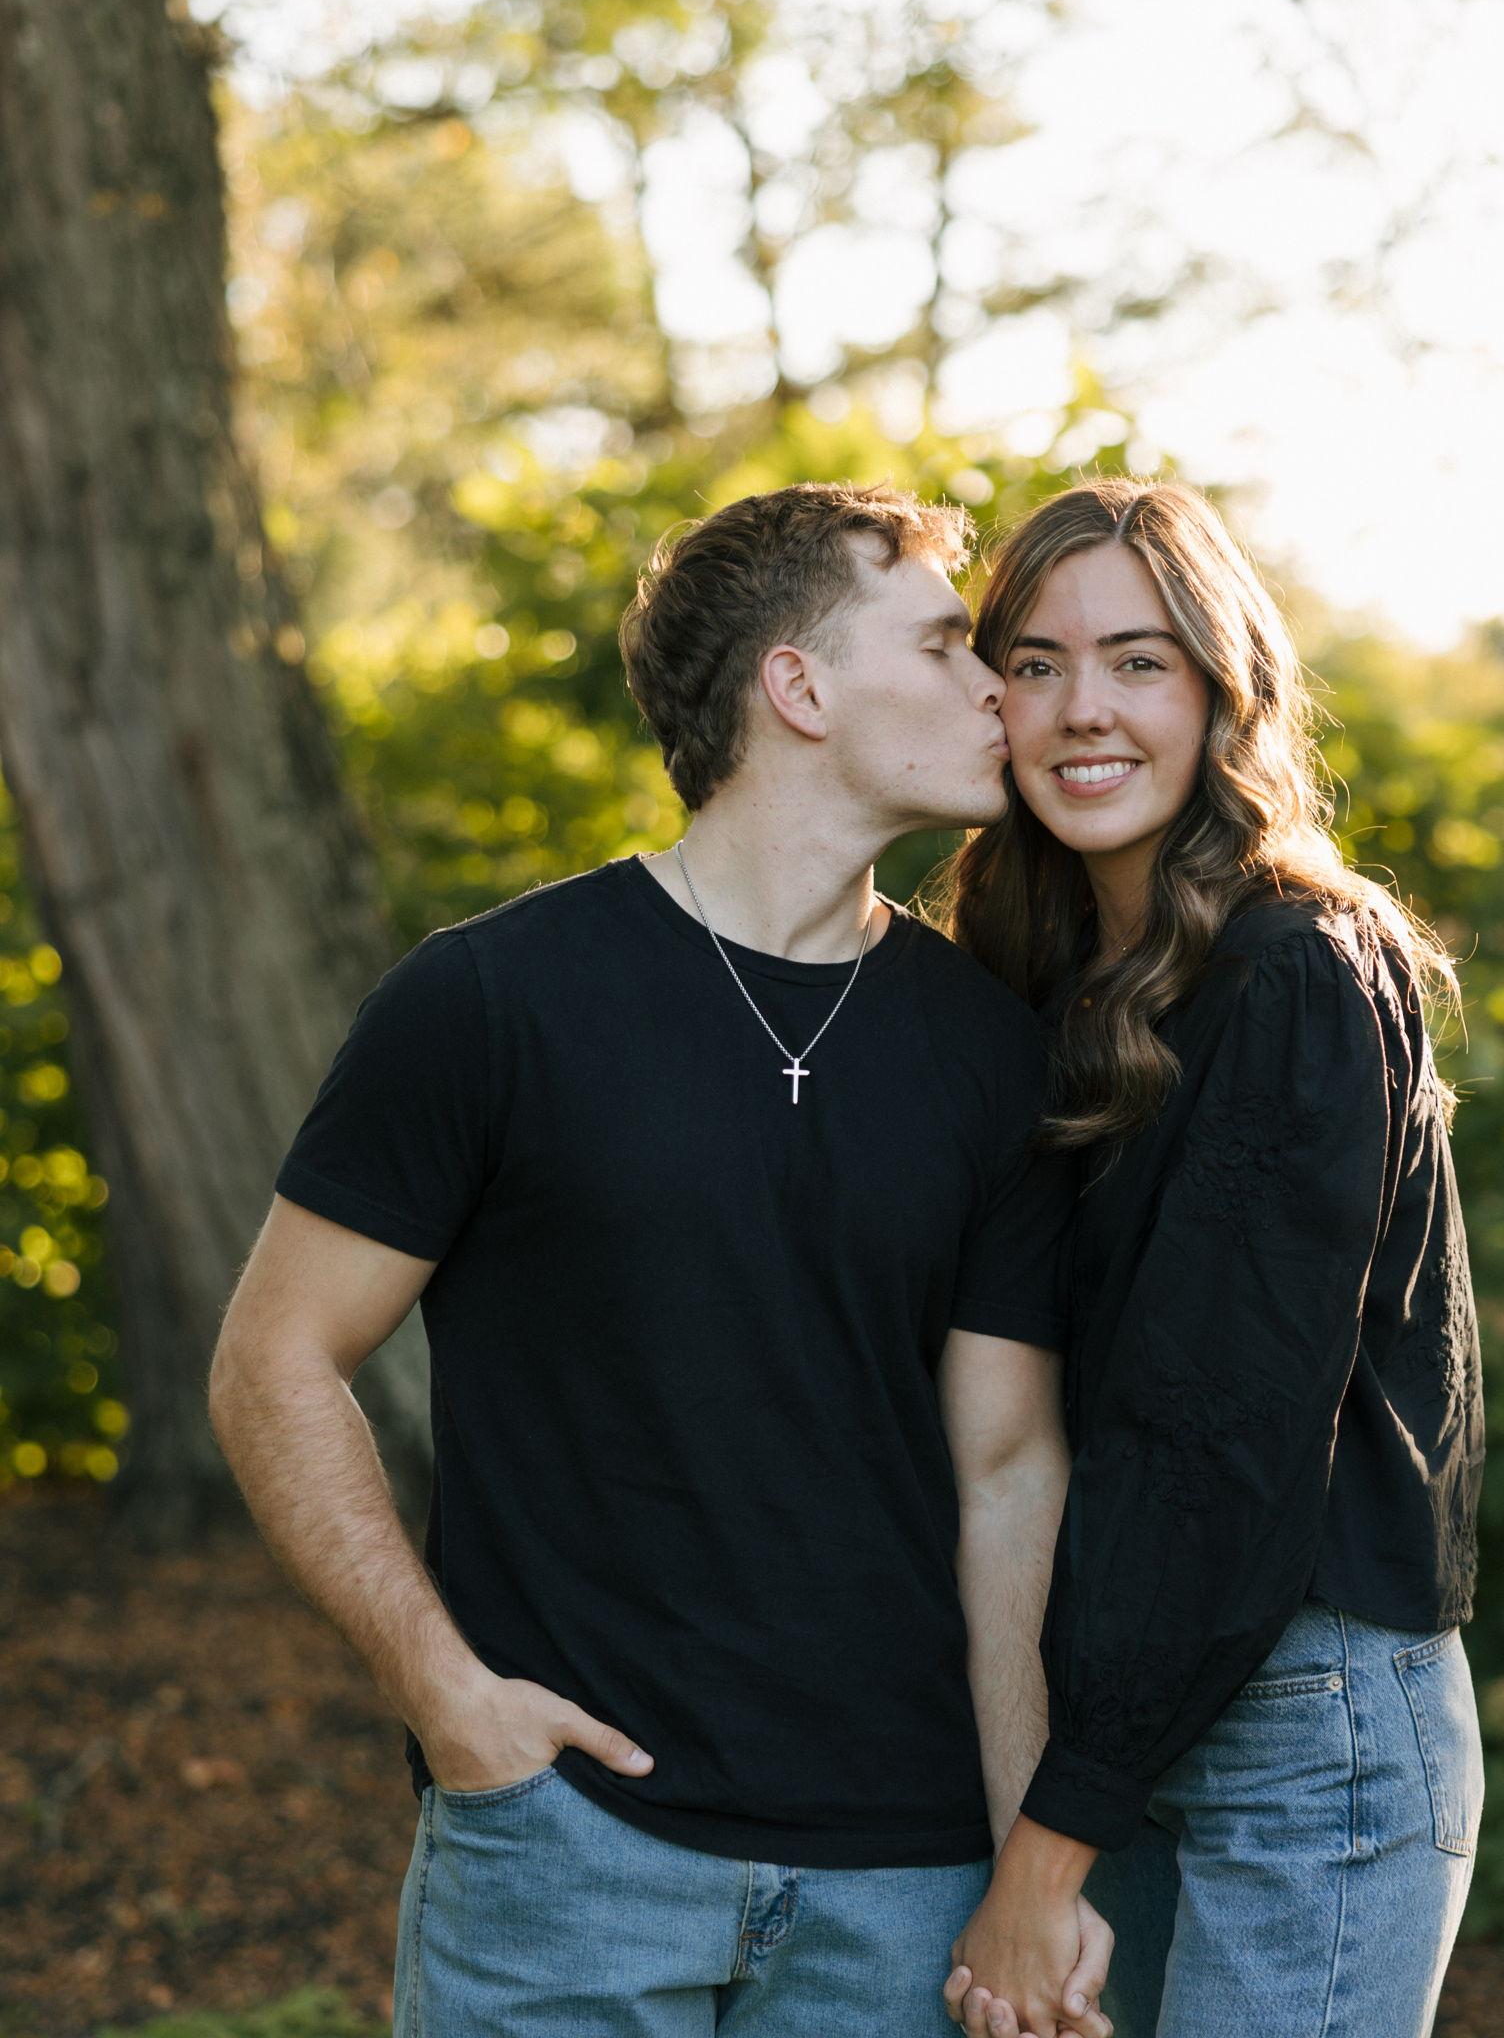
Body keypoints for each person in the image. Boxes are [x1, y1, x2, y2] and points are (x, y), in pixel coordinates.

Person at [207, 483, 1115, 2036]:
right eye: (946, 646)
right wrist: (447, 1699)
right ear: (799, 686)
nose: (1000, 692)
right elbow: (272, 1362)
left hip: (900, 1887)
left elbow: (1010, 1472)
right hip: (568, 1854)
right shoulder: (492, 1002)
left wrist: (1029, 1867)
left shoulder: (991, 1051)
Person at [934, 479, 1487, 2038]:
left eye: (1139, 661)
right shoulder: (1057, 979)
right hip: (1124, 1711)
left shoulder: (1298, 970)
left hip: (1308, 1727)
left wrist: (1046, 1850)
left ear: (1223, 692)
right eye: (1035, 663)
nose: (1081, 709)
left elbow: (1219, 1442)